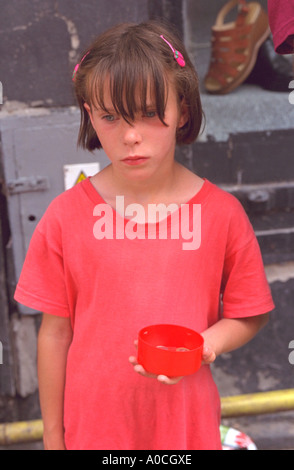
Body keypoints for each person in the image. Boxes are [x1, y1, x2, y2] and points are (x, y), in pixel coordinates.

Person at [14, 21, 275, 451]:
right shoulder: (65, 217)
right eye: (111, 117)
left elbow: (251, 312)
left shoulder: (222, 215)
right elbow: (54, 334)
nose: (131, 136)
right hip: (93, 428)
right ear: (89, 115)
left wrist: (207, 344)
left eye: (150, 113)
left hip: (186, 427)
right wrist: (53, 435)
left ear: (184, 110)